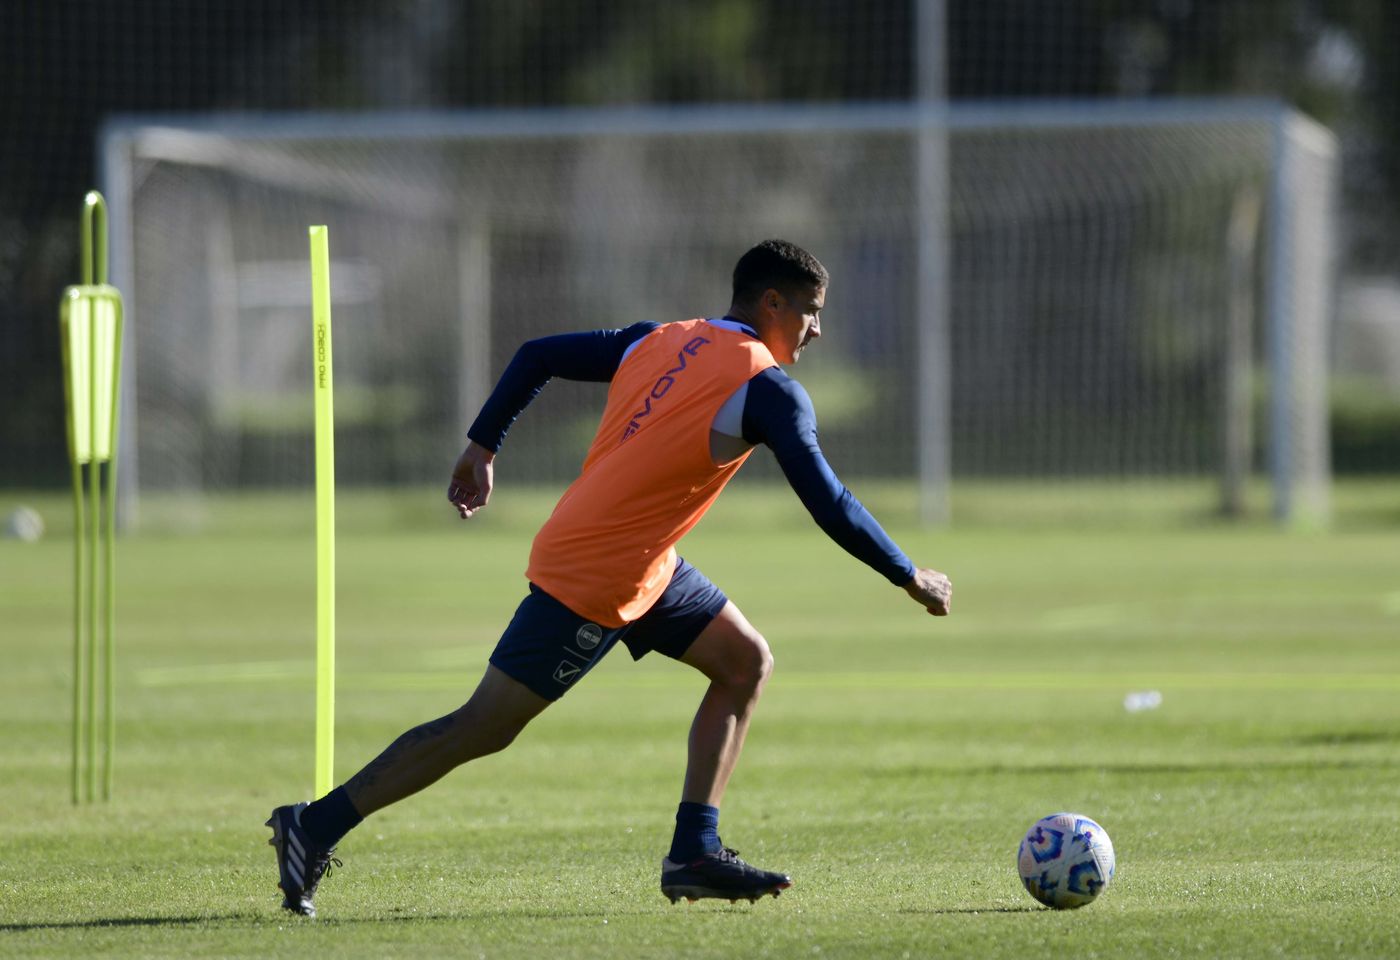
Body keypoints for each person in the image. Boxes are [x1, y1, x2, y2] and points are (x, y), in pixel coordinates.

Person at [267, 239, 953, 917]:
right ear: (772, 302)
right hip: (595, 573)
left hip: (646, 563)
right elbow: (829, 501)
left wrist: (482, 445)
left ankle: (694, 852)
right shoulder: (768, 390)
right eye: (809, 311)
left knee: (745, 663)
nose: (818, 329)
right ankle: (313, 826)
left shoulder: (660, 339)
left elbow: (537, 354)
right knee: (481, 727)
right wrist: (907, 574)